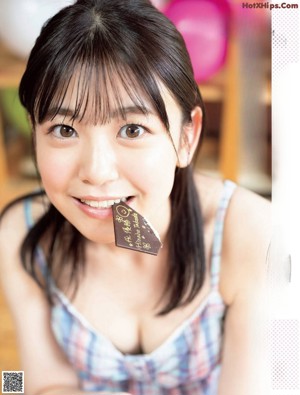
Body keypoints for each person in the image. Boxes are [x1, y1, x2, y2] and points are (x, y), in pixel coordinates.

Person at [0, 0, 270, 394]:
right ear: (34, 132)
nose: (95, 171)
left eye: (131, 130)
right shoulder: (19, 236)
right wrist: (12, 387)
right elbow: (36, 382)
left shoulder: (256, 237)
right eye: (63, 129)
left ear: (186, 136)